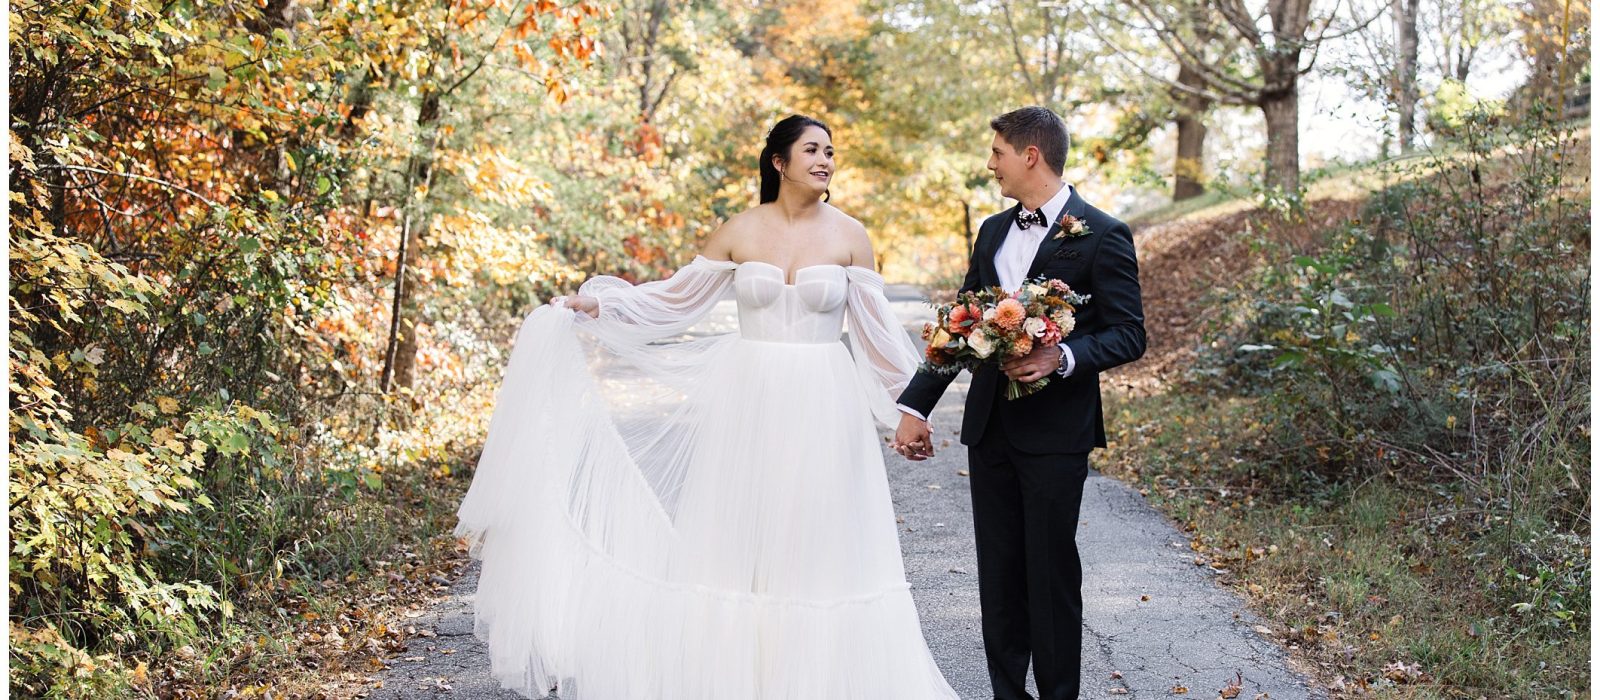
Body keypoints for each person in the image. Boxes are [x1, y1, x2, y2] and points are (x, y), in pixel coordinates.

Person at [454, 114, 959, 699]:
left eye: (830, 152)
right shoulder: (739, 230)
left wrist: (910, 409)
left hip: (825, 400)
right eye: (812, 150)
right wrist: (598, 307)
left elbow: (876, 338)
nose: (825, 161)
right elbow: (673, 301)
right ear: (779, 162)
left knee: (820, 539)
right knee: (740, 539)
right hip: (749, 400)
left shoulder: (850, 235)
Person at [893, 106, 1147, 700]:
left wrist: (1059, 358)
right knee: (1000, 577)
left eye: (998, 152)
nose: (991, 164)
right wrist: (916, 406)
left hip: (1057, 433)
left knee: (1050, 575)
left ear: (1030, 154)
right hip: (991, 429)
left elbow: (1128, 333)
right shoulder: (991, 231)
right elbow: (957, 327)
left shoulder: (1103, 234)